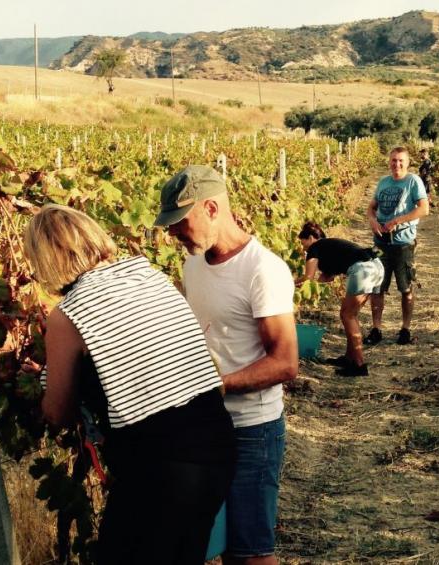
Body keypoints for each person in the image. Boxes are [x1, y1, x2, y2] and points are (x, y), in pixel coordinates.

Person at [24, 204, 236, 565]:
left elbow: (57, 412)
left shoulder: (69, 313)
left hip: (161, 465)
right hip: (216, 443)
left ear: (45, 260)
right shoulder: (148, 275)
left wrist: (33, 385)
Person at [154, 165, 298, 565]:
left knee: (252, 551)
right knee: (222, 547)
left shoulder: (262, 270)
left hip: (253, 429)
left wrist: (217, 385)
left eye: (180, 223)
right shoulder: (193, 264)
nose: (173, 234)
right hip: (206, 426)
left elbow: (285, 364)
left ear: (212, 208)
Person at [298, 222, 384, 377]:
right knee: (351, 314)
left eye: (302, 242)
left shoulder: (314, 248)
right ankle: (349, 358)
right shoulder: (328, 249)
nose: (303, 248)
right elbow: (324, 280)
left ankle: (359, 365)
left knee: (347, 315)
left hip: (363, 270)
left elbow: (308, 278)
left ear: (310, 238)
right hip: (376, 267)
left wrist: (288, 283)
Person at [365, 147, 430, 346]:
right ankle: (376, 329)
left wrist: (398, 221)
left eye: (401, 160)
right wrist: (373, 221)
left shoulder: (413, 181)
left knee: (406, 287)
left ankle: (405, 329)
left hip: (403, 243)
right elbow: (371, 207)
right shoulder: (384, 182)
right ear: (389, 162)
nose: (397, 164)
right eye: (394, 160)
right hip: (381, 243)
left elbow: (424, 209)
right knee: (377, 288)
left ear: (408, 163)